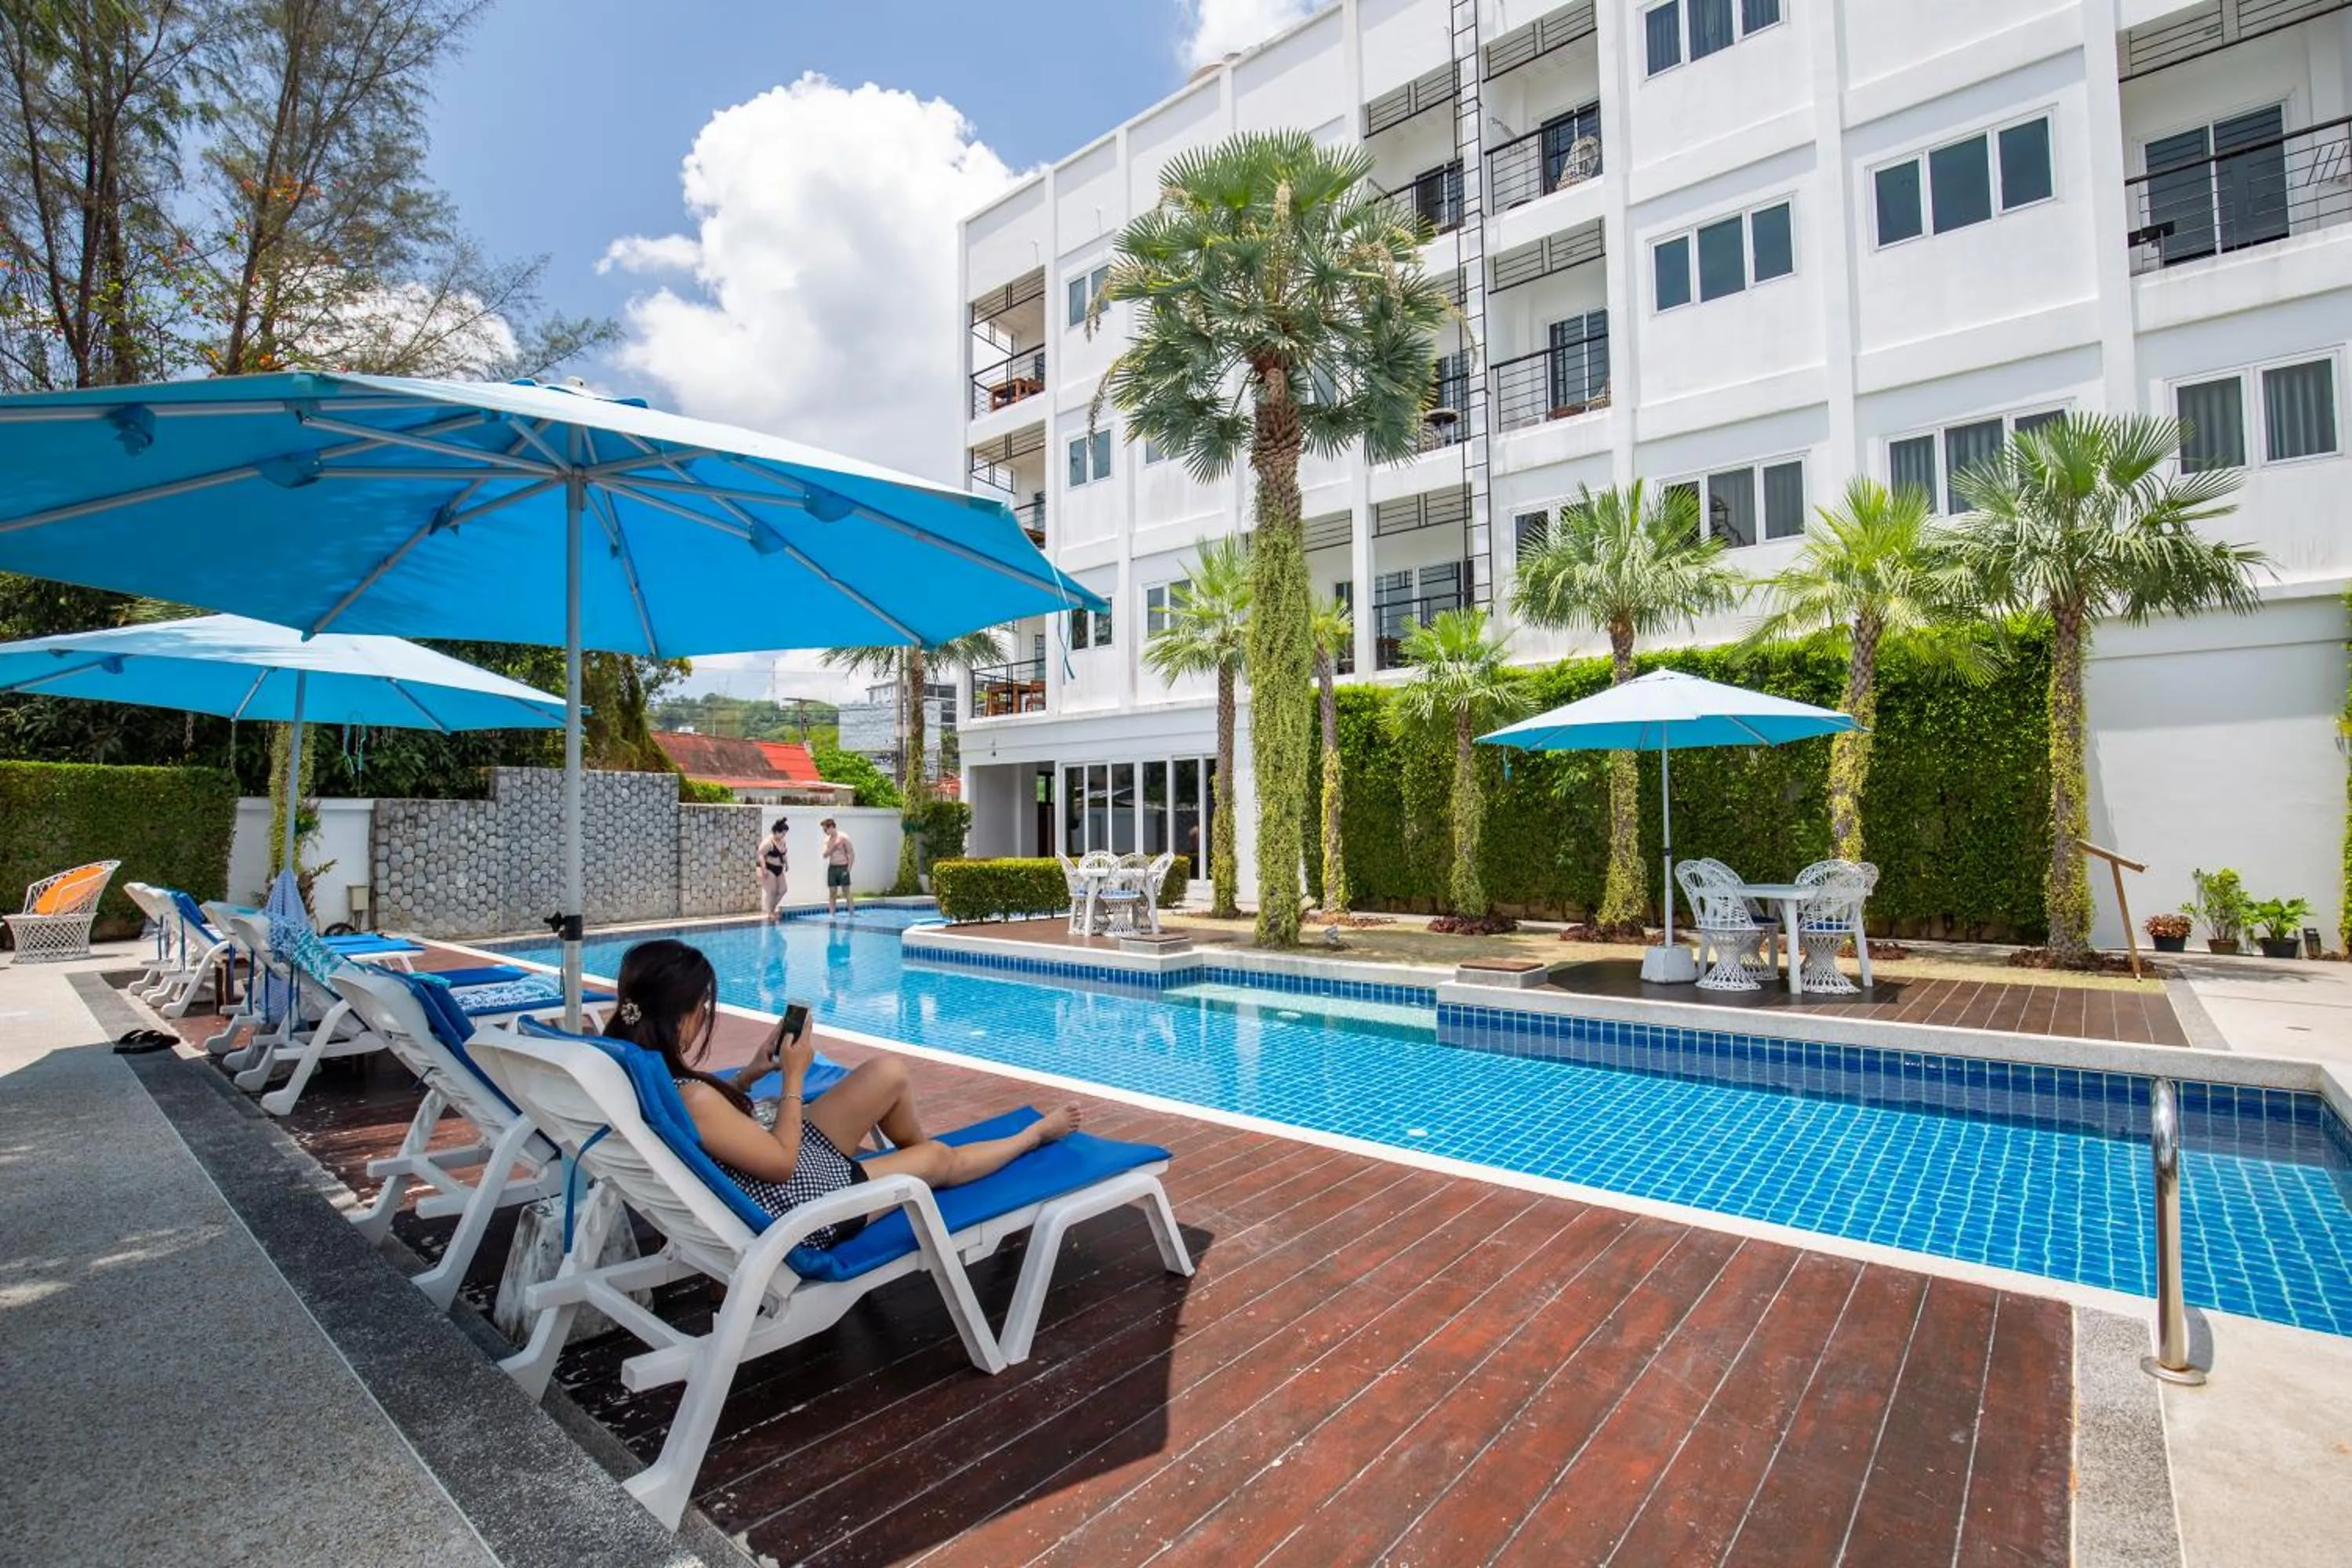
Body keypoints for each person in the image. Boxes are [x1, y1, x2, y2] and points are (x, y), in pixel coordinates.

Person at [603, 939, 1079, 1247]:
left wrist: (749, 1075)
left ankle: (911, 1171)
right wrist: (792, 1076)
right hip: (798, 1204)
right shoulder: (693, 1099)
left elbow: (707, 1117)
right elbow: (782, 1164)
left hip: (769, 1159)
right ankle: (1031, 1136)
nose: (706, 1017)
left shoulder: (631, 1066)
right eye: (703, 1008)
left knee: (887, 1074)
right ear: (680, 1016)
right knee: (937, 1156)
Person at [820, 817, 856, 916]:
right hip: (832, 868)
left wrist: (848, 869)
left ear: (831, 827)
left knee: (846, 892)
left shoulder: (843, 837)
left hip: (843, 867)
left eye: (825, 829)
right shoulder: (827, 840)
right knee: (832, 893)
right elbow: (825, 855)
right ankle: (832, 915)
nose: (824, 832)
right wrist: (833, 847)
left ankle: (852, 914)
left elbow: (852, 854)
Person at [756, 818, 790, 918]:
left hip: (779, 868)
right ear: (776, 832)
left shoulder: (782, 841)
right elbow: (760, 854)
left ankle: (771, 909)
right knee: (772, 891)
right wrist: (764, 869)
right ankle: (770, 913)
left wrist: (787, 864)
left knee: (783, 889)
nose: (784, 836)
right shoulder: (768, 842)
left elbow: (783, 853)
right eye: (782, 834)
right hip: (769, 868)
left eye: (785, 834)